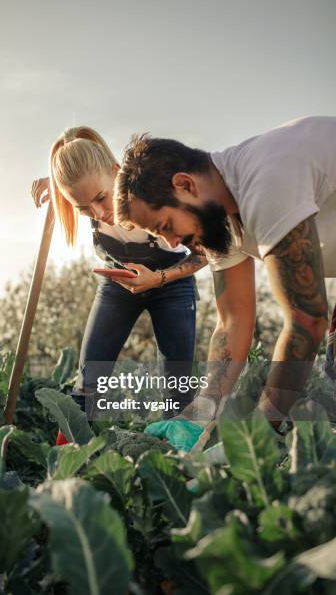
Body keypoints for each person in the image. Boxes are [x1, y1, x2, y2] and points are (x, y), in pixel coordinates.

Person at [114, 116, 336, 446]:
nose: (173, 243)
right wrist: (200, 414)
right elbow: (233, 321)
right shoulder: (219, 216)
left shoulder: (265, 181)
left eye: (165, 226)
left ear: (185, 185)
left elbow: (307, 319)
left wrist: (255, 438)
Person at [32, 126, 208, 420]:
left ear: (117, 172)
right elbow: (80, 192)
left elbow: (203, 255)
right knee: (89, 380)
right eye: (84, 209)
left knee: (177, 386)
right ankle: (69, 458)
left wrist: (157, 279)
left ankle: (176, 459)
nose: (99, 213)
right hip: (118, 285)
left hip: (172, 285)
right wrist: (54, 186)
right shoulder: (86, 196)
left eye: (102, 198)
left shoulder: (158, 192)